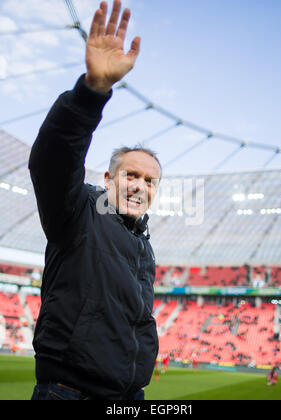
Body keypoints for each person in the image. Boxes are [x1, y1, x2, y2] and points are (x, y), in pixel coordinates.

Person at [29, 0, 161, 401]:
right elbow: (52, 160)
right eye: (131, 175)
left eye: (150, 180)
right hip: (70, 393)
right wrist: (92, 92)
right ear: (108, 179)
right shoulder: (80, 211)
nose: (140, 185)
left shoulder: (144, 247)